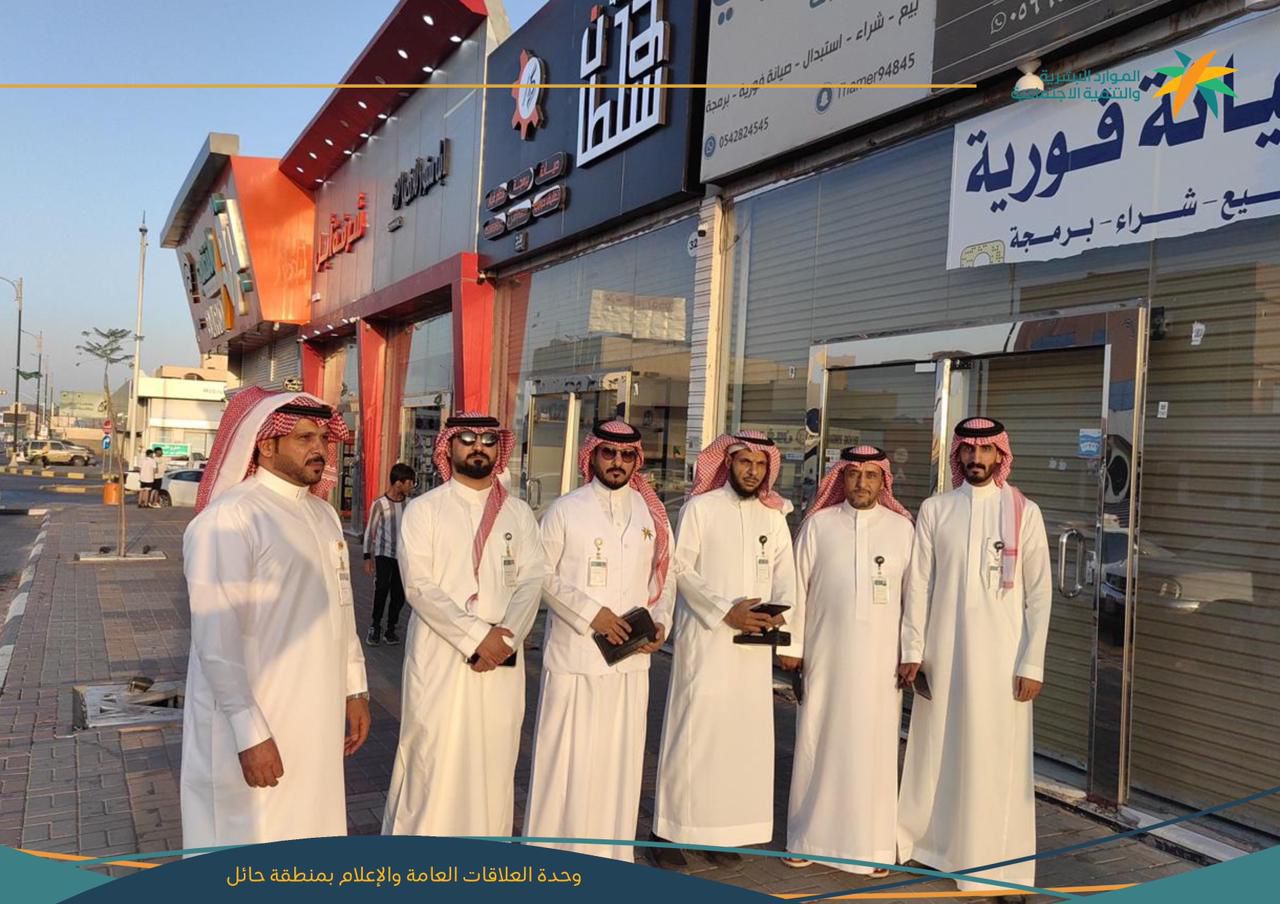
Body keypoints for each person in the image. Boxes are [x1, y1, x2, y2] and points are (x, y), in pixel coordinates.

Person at [180, 387, 370, 847]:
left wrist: (355, 689)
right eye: (304, 438)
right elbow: (216, 642)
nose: (319, 449)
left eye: (323, 438)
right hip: (255, 718)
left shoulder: (324, 516)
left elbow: (342, 609)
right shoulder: (230, 519)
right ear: (266, 445)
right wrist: (250, 734)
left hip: (316, 715)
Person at [897, 417, 1052, 898]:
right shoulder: (936, 509)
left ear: (1000, 456)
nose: (976, 459)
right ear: (958, 455)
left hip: (1002, 660)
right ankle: (932, 847)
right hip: (942, 654)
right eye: (969, 450)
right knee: (937, 750)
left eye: (986, 451)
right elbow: (918, 585)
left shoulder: (1024, 512)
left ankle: (999, 866)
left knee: (995, 758)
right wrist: (913, 650)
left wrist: (1032, 663)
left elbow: (1040, 594)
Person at [382, 413, 546, 837]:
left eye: (489, 440)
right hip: (441, 653)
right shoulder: (424, 510)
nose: (479, 447)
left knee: (494, 756)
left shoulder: (518, 513)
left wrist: (506, 637)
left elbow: (533, 579)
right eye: (468, 438)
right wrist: (477, 637)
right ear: (449, 446)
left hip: (503, 655)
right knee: (431, 755)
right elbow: (419, 587)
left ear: (499, 448)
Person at [525, 421, 676, 861]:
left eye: (627, 455)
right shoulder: (565, 509)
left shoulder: (651, 514)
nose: (617, 462)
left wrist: (660, 624)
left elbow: (666, 576)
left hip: (631, 664)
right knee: (567, 766)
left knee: (619, 767)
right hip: (576, 662)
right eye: (608, 453)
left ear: (637, 460)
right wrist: (592, 614)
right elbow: (540, 574)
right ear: (592, 455)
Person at [651, 432, 797, 867]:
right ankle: (667, 834)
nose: (752, 471)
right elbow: (681, 569)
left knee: (738, 741)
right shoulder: (700, 508)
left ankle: (718, 834)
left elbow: (785, 574)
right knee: (694, 737)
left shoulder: (774, 516)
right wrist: (724, 611)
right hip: (707, 640)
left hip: (752, 648)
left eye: (759, 464)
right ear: (728, 463)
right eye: (744, 462)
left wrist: (779, 615)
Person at [783, 446, 915, 875]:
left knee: (875, 752)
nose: (862, 482)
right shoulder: (819, 525)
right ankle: (805, 838)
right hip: (825, 657)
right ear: (841, 478)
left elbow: (916, 598)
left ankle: (873, 848)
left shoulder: (902, 530)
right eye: (854, 474)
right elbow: (795, 589)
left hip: (881, 664)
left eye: (871, 475)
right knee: (816, 742)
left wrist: (912, 652)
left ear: (883, 481)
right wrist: (792, 648)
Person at [362, 462, 416, 646]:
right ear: (399, 483)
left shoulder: (410, 505)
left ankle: (391, 628)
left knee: (399, 593)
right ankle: (375, 626)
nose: (411, 486)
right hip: (383, 554)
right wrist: (367, 557)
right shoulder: (380, 504)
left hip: (403, 556)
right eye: (409, 482)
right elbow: (370, 530)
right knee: (382, 588)